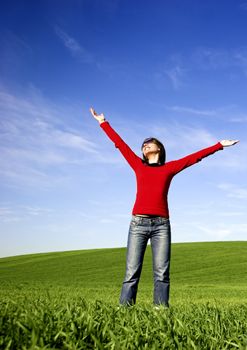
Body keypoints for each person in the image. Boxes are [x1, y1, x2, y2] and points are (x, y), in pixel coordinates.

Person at [90, 107, 238, 307]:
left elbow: (194, 158)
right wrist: (103, 122)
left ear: (159, 148)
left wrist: (219, 145)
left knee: (162, 272)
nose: (144, 146)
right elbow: (120, 144)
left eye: (148, 143)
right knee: (131, 272)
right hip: (138, 224)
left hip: (161, 225)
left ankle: (160, 312)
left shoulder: (169, 168)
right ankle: (124, 311)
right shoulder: (138, 165)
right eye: (142, 145)